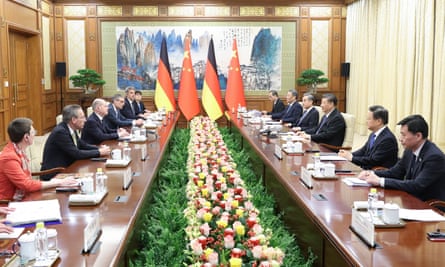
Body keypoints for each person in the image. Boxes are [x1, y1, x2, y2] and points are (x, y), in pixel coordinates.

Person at [359, 115, 445, 203]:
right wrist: (370, 173)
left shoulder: (434, 157)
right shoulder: (409, 150)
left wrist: (380, 181)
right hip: (409, 199)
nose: (400, 139)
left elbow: (417, 185)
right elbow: (395, 173)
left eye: (404, 135)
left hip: (428, 206)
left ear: (418, 136)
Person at [0, 118, 78, 200]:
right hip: (9, 203)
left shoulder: (18, 150)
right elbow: (26, 185)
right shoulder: (9, 157)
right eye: (33, 132)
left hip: (26, 196)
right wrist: (58, 182)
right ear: (26, 137)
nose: (35, 135)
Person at [41, 105, 111, 180]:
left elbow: (82, 144)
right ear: (74, 120)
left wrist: (99, 148)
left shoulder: (70, 128)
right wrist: (99, 152)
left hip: (68, 167)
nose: (85, 120)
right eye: (82, 117)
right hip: (56, 173)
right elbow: (77, 154)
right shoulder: (60, 132)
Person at [338, 105, 398, 169]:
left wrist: (351, 158)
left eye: (369, 119)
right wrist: (348, 155)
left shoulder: (387, 139)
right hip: (367, 169)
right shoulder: (374, 134)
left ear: (379, 121)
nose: (366, 121)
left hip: (377, 172)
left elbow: (374, 160)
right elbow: (363, 151)